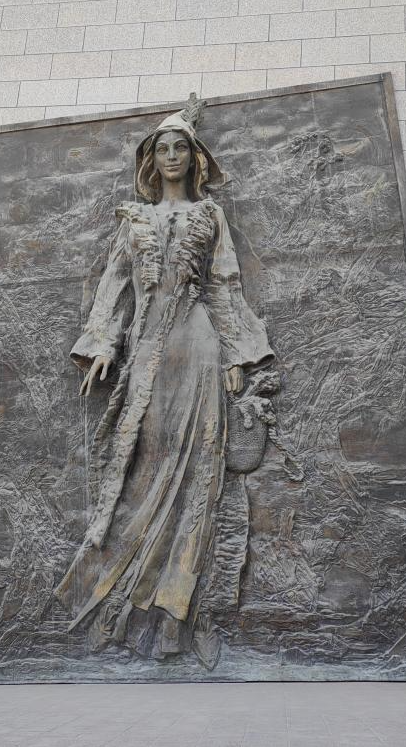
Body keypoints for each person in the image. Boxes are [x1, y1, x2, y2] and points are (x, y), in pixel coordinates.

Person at [55, 101, 274, 668]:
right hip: (150, 349)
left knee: (198, 475)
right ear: (150, 160)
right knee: (146, 471)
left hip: (199, 348)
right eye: (162, 149)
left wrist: (235, 355)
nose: (172, 156)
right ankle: (116, 604)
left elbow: (224, 284)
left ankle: (179, 614)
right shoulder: (134, 220)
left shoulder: (210, 216)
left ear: (194, 158)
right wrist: (103, 345)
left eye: (180, 148)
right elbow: (115, 284)